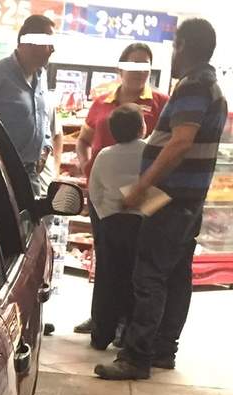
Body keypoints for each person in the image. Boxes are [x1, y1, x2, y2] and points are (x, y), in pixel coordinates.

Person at [96, 18, 227, 380]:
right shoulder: (210, 86)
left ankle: (136, 357)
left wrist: (142, 185)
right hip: (187, 199)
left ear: (182, 46)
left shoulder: (194, 86)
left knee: (148, 275)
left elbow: (181, 141)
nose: (172, 53)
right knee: (176, 275)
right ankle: (163, 350)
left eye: (174, 45)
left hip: (170, 198)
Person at [72, 42, 168, 339]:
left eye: (145, 65)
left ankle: (126, 323)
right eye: (133, 64)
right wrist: (87, 168)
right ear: (120, 68)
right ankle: (102, 318)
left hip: (142, 201)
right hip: (104, 196)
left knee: (136, 265)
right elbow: (83, 140)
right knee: (105, 259)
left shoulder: (161, 103)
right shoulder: (102, 102)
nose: (139, 71)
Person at [0, 15, 56, 188]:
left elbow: (42, 117)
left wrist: (46, 147)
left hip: (31, 174)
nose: (52, 49)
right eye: (48, 43)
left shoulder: (41, 75)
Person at [85, 104, 145, 350]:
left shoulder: (104, 155)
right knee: (136, 279)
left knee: (107, 279)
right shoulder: (149, 151)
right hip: (140, 223)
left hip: (111, 223)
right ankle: (127, 333)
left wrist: (105, 213)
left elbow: (94, 190)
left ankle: (101, 334)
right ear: (142, 128)